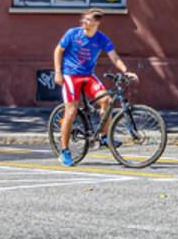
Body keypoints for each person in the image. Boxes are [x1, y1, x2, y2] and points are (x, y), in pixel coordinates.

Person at [54, 9, 132, 166]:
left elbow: (114, 58)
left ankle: (103, 137)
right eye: (83, 19)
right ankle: (64, 150)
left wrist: (126, 71)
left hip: (88, 75)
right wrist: (58, 72)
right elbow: (58, 51)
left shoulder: (102, 39)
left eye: (88, 20)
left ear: (97, 23)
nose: (83, 22)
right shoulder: (72, 34)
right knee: (71, 110)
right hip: (70, 75)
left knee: (107, 100)